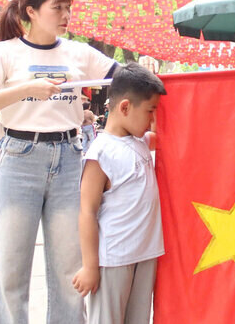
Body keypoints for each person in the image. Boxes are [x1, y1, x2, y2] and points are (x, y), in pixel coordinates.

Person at [0, 0, 118, 324]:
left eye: (68, 8)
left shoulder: (77, 52)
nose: (65, 15)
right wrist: (25, 89)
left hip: (68, 157)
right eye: (57, 7)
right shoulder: (5, 53)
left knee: (69, 269)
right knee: (11, 268)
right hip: (20, 158)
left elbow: (124, 77)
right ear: (31, 11)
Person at [72, 62, 167, 324]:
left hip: (145, 254)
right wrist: (91, 266)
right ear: (125, 107)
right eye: (150, 111)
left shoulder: (140, 142)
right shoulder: (100, 153)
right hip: (113, 260)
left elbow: (168, 136)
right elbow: (87, 212)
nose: (151, 119)